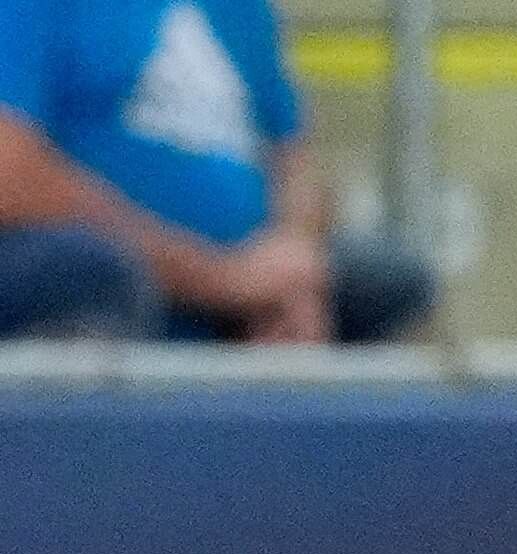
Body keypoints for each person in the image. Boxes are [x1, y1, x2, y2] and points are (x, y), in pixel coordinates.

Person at [0, 0, 432, 339]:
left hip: (246, 281)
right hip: (111, 268)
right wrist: (224, 280)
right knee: (89, 271)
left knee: (387, 279)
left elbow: (296, 163)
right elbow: (12, 178)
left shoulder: (241, 8)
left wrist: (291, 272)